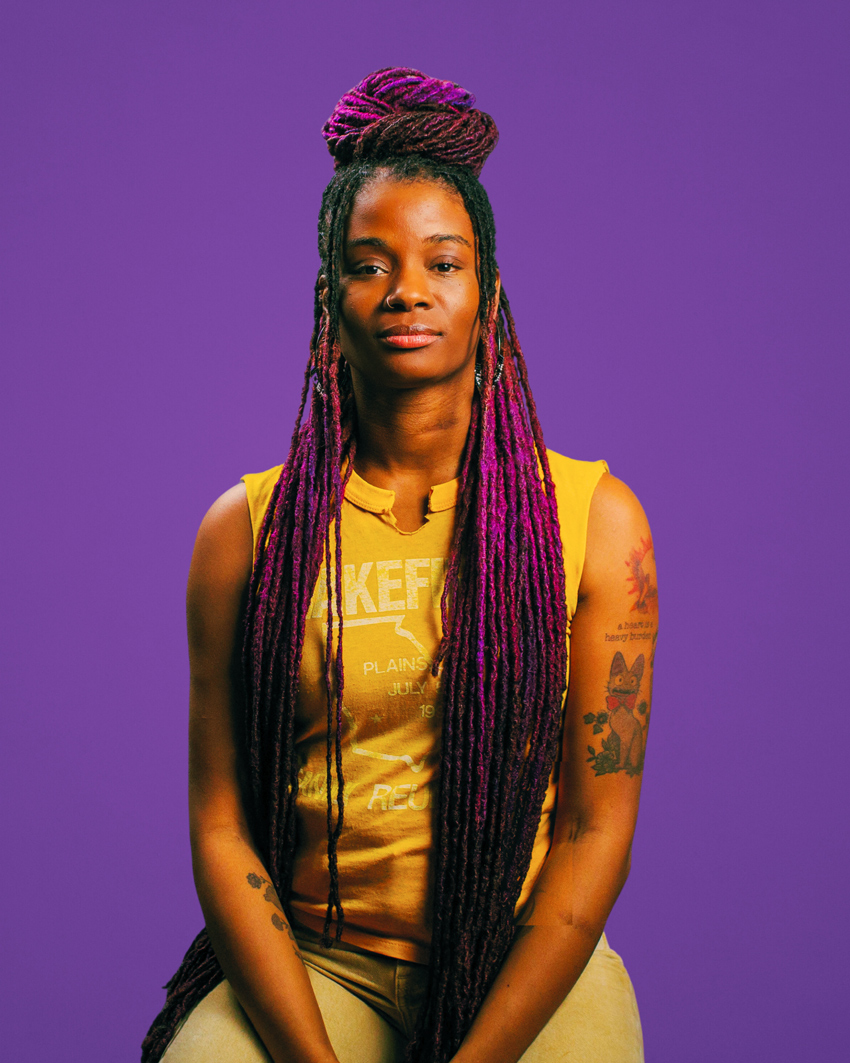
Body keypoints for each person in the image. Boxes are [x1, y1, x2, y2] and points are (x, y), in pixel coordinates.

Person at [142, 67, 657, 1063]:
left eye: (442, 262)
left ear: (487, 295)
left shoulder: (596, 521)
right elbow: (222, 827)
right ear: (327, 300)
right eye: (369, 264)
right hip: (319, 961)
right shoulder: (245, 533)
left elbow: (596, 831)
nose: (407, 290)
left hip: (523, 962)